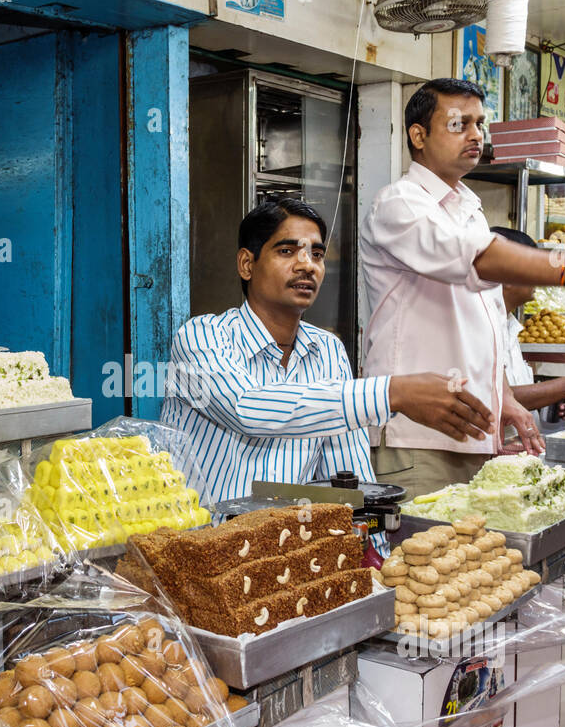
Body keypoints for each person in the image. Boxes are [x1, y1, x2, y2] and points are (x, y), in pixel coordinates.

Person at [359, 78, 565, 499]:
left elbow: (482, 324)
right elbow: (478, 259)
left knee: (476, 562)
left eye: (480, 124)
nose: (476, 135)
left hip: (474, 433)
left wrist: (503, 396)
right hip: (417, 441)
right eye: (459, 124)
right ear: (418, 136)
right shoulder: (399, 204)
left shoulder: (469, 209)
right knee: (423, 561)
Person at [161, 198, 492, 515]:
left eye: (316, 254)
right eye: (287, 250)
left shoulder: (328, 351)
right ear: (247, 264)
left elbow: (347, 473)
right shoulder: (202, 337)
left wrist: (373, 555)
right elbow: (248, 407)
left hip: (288, 549)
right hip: (201, 549)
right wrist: (393, 392)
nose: (307, 265)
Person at [490, 227, 565, 423]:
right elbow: (498, 397)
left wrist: (550, 399)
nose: (538, 278)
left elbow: (517, 391)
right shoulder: (484, 329)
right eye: (532, 269)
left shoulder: (511, 327)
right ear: (507, 277)